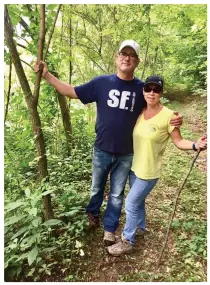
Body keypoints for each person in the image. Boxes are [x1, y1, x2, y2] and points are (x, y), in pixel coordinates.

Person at [34, 40, 183, 246]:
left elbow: (156, 105)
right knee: (96, 188)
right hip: (101, 149)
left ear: (137, 61)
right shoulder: (101, 83)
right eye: (123, 53)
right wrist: (47, 75)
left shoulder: (141, 88)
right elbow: (71, 91)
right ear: (117, 57)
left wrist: (175, 119)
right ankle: (92, 216)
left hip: (126, 153)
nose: (127, 57)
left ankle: (110, 228)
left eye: (132, 55)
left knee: (116, 193)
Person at [106, 75, 207, 256]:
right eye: (148, 88)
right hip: (134, 168)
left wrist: (194, 145)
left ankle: (127, 240)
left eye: (156, 89)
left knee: (130, 203)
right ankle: (141, 228)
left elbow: (179, 141)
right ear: (143, 90)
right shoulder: (139, 111)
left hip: (149, 172)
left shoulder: (169, 116)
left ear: (161, 92)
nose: (152, 92)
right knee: (139, 202)